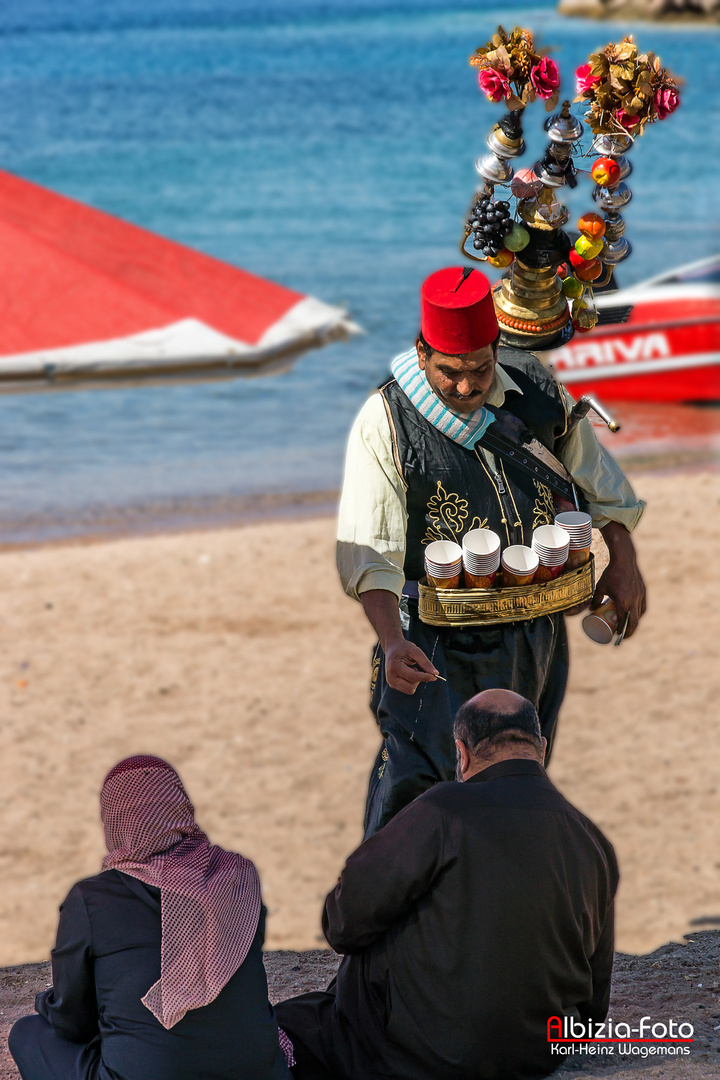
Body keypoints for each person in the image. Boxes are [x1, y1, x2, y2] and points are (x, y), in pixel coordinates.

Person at [337, 265, 646, 836]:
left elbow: (600, 482)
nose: (464, 386)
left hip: (535, 634)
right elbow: (370, 550)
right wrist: (390, 639)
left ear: (497, 347)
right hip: (431, 643)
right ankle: (398, 920)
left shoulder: (537, 389)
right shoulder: (386, 421)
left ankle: (496, 916)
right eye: (449, 372)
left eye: (478, 370)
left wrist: (623, 561)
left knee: (515, 782)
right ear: (422, 352)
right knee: (419, 789)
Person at [275, 689, 618, 1080]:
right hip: (538, 1056)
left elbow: (344, 922)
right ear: (540, 746)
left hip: (418, 1056)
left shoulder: (445, 808)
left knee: (286, 1028)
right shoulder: (593, 841)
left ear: (463, 752)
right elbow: (593, 1008)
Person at [9, 754, 292, 1080]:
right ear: (179, 807)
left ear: (114, 822)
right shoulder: (237, 877)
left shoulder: (92, 899)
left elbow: (72, 1021)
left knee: (27, 1034)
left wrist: (48, 1003)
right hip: (260, 1071)